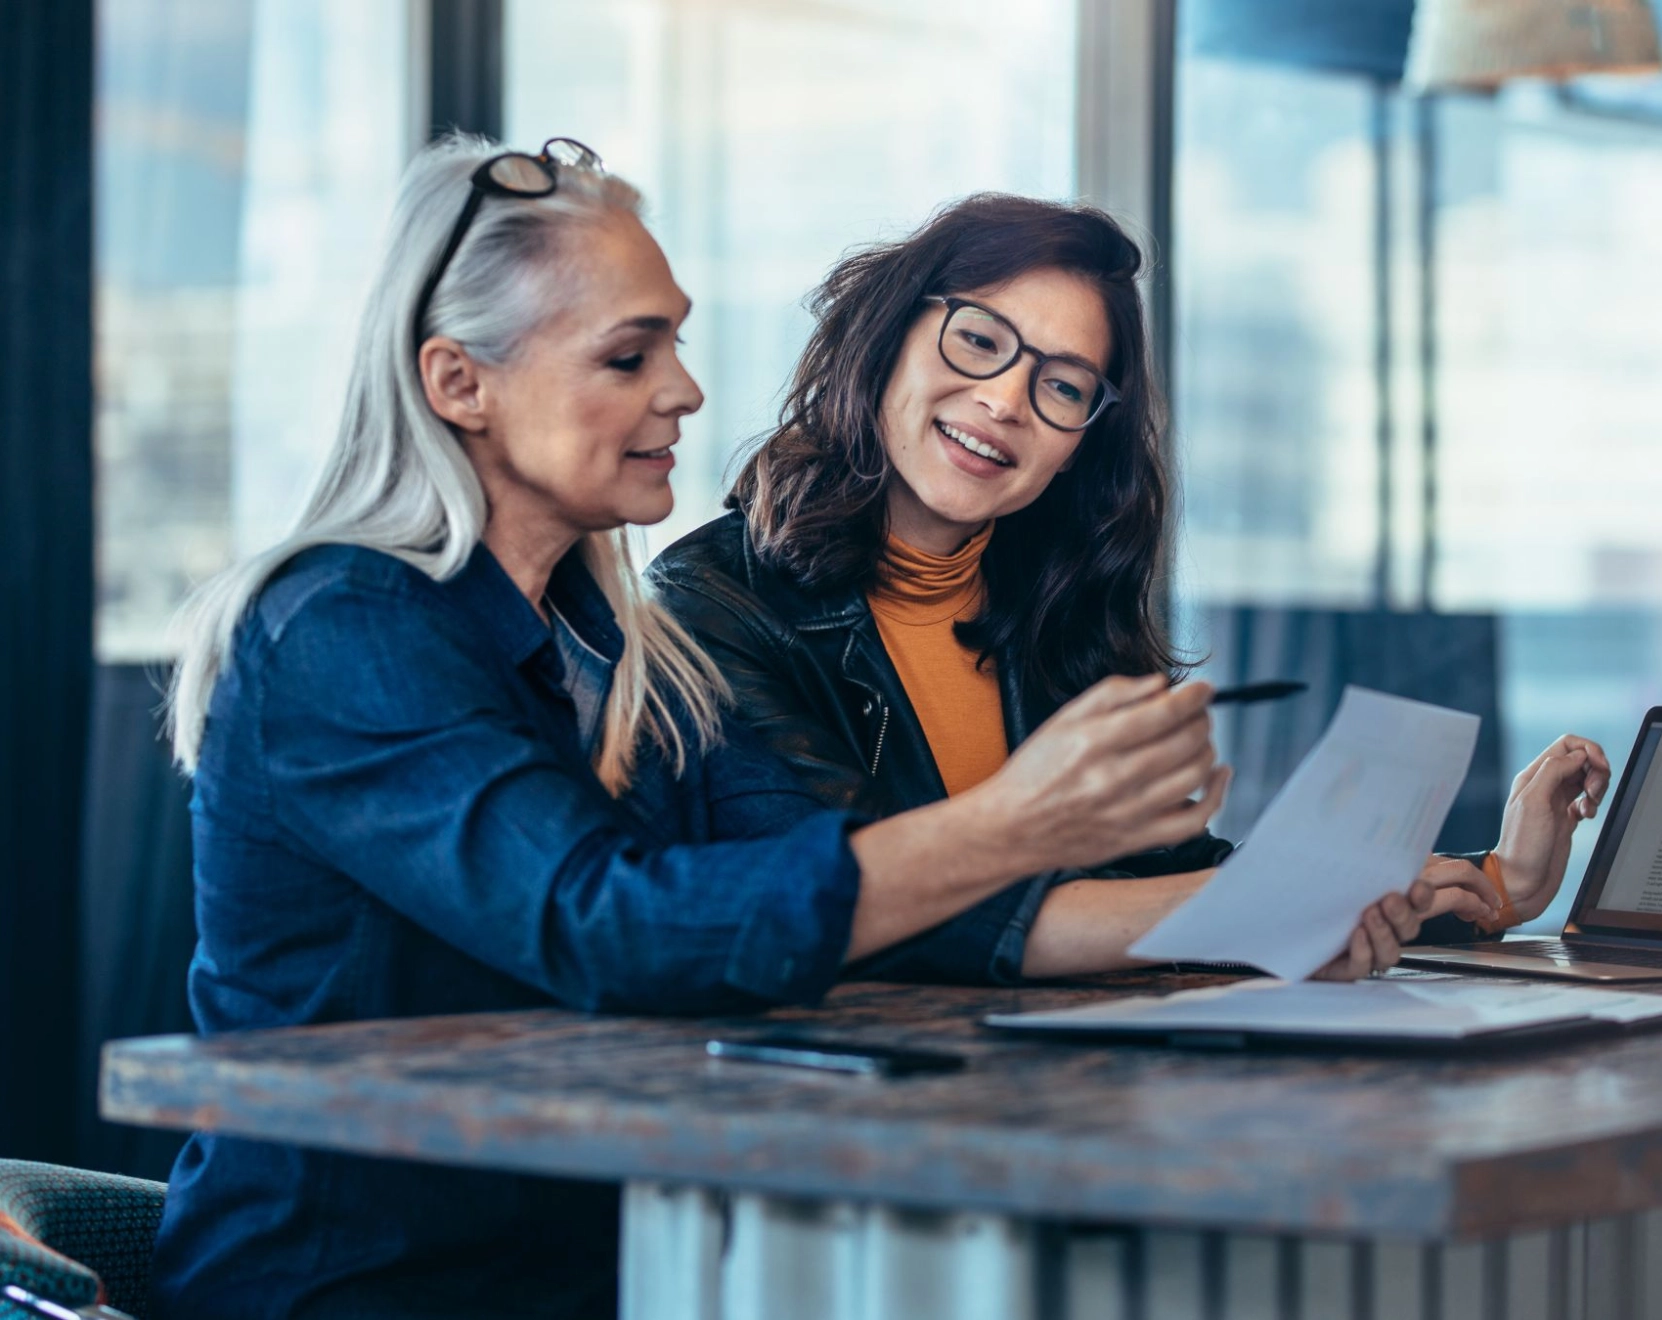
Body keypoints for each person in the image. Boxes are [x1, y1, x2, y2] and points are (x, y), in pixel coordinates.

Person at [150, 140, 1461, 1320]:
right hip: (369, 1289)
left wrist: (1304, 908)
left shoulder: (620, 647)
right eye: (629, 356)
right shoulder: (341, 628)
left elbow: (820, 881)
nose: (685, 390)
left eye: (676, 344)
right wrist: (1019, 823)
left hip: (613, 1263)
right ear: (459, 383)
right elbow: (608, 925)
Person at [654, 193, 1611, 972]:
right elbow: (856, 907)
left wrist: (1498, 884)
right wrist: (1268, 911)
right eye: (979, 341)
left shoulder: (1058, 608)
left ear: (1080, 444)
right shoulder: (709, 605)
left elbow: (1164, 880)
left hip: (1067, 1089)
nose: (1006, 400)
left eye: (1063, 386)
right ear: (886, 338)